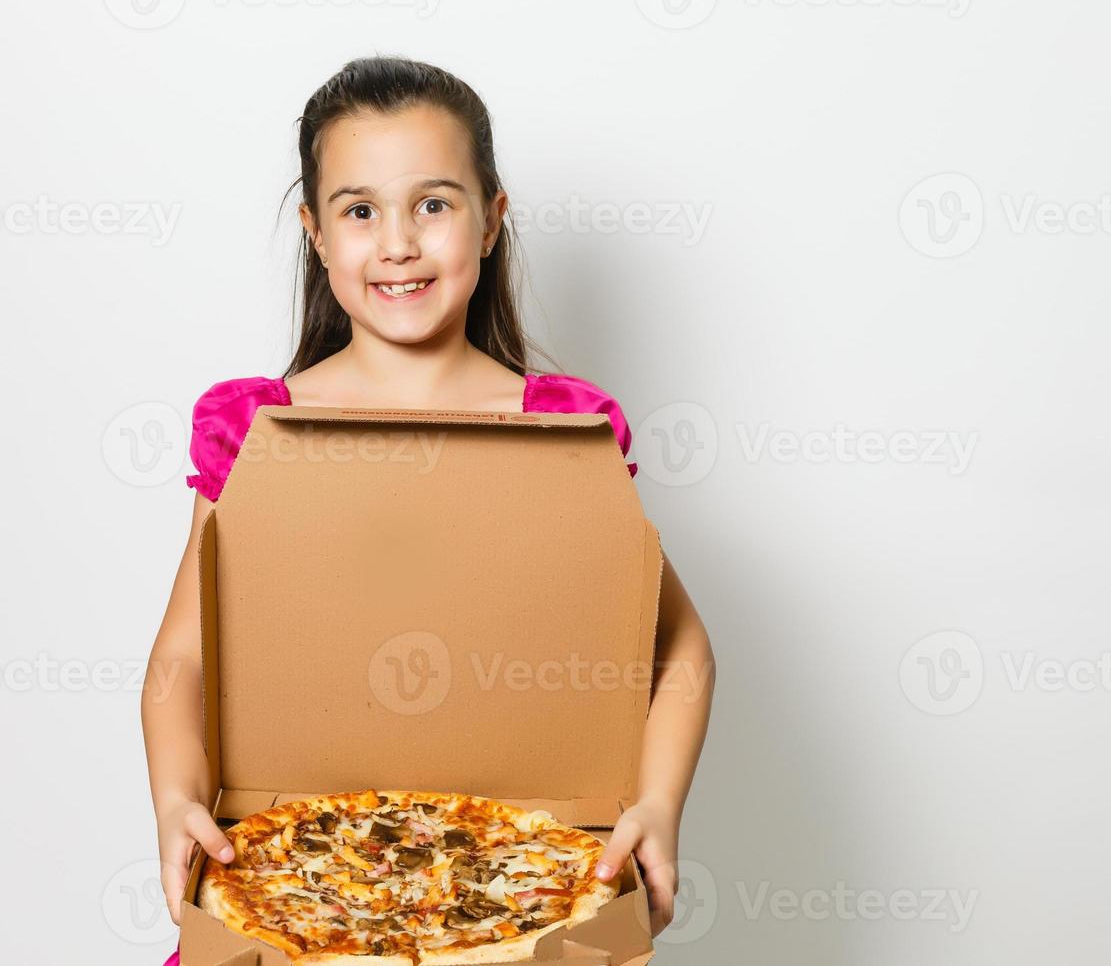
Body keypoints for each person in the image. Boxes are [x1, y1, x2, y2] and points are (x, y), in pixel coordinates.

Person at [141, 55, 715, 965]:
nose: (398, 243)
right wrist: (178, 799)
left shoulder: (562, 429)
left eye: (434, 204)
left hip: (527, 885)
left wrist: (654, 804)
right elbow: (182, 655)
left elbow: (679, 645)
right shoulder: (253, 428)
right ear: (315, 234)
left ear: (491, 219)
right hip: (291, 883)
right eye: (359, 209)